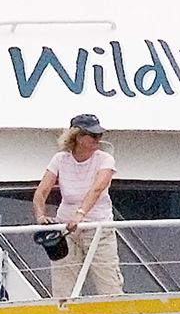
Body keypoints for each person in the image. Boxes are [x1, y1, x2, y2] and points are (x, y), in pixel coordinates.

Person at [32, 112, 121, 299]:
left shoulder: (105, 159)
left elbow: (97, 190)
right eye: (94, 135)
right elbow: (41, 192)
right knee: (63, 287)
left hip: (98, 228)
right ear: (78, 137)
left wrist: (80, 215)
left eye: (100, 135)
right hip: (66, 230)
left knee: (109, 285)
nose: (99, 139)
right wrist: (41, 216)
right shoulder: (60, 159)